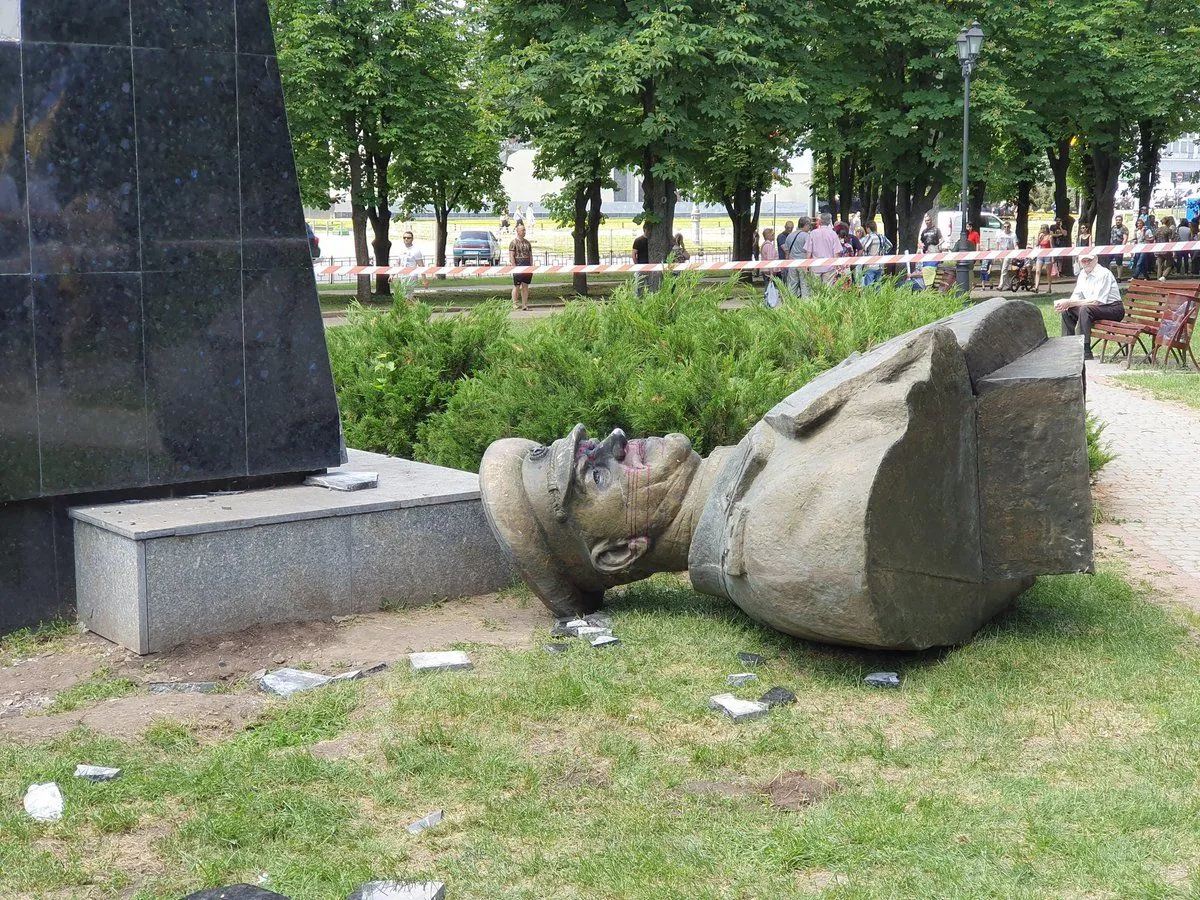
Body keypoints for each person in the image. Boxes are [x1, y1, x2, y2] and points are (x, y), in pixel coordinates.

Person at [478, 298, 1090, 650]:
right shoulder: (774, 547)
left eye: (595, 449)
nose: (614, 442)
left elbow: (984, 341)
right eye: (597, 478)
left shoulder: (754, 473)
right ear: (618, 553)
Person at [1056, 248, 1124, 358]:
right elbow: (1076, 295)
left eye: (1089, 260)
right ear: (1079, 262)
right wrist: (1065, 305)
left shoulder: (1103, 273)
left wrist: (1069, 302)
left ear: (1096, 259)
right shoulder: (1082, 274)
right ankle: (1069, 346)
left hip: (1113, 309)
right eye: (1084, 261)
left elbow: (1096, 301)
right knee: (1067, 311)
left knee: (1084, 309)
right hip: (1095, 308)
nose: (1087, 263)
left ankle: (1085, 349)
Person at [805, 213, 844, 286]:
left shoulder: (813, 233)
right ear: (829, 221)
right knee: (828, 290)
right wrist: (836, 266)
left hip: (815, 266)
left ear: (820, 221)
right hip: (829, 266)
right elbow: (836, 252)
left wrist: (807, 265)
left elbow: (808, 251)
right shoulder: (833, 234)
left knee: (815, 290)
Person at [509, 223, 533, 311]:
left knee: (525, 286)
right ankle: (514, 304)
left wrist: (531, 266)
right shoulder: (513, 243)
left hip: (527, 266)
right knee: (517, 286)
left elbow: (530, 255)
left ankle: (524, 305)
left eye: (525, 230)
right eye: (522, 230)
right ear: (518, 231)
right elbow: (511, 255)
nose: (524, 232)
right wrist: (514, 266)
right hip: (518, 265)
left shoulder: (527, 243)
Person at [781, 217, 809, 296]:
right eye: (809, 225)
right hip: (803, 263)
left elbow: (786, 250)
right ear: (805, 225)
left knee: (792, 285)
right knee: (804, 285)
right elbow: (809, 251)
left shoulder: (790, 236)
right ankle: (805, 303)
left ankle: (791, 302)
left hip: (792, 263)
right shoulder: (806, 236)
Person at [992, 221, 1017, 290]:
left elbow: (1015, 245)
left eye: (1008, 227)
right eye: (1005, 227)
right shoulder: (1001, 234)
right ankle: (1008, 285)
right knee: (1003, 270)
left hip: (1009, 253)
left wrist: (1017, 252)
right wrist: (997, 254)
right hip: (1001, 253)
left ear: (1010, 227)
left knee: (1004, 269)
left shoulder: (1013, 235)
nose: (1006, 228)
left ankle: (1000, 286)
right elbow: (997, 244)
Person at [919, 213, 942, 284]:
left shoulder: (936, 230)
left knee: (932, 267)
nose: (927, 222)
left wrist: (938, 246)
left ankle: (931, 283)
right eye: (925, 221)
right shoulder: (924, 231)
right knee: (926, 267)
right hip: (926, 252)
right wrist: (921, 246)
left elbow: (941, 239)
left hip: (934, 251)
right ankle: (928, 283)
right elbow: (920, 240)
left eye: (928, 220)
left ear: (931, 220)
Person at [860, 221, 883, 287]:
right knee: (877, 287)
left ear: (868, 228)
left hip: (870, 265)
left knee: (868, 287)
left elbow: (865, 247)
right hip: (880, 264)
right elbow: (889, 245)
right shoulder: (881, 236)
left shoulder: (871, 237)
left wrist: (865, 260)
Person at [1033, 224, 1053, 294]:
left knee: (1048, 273)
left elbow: (1052, 247)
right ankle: (1036, 287)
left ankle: (1049, 288)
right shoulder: (1041, 236)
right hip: (1040, 255)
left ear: (1047, 229)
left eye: (1044, 228)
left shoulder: (1050, 237)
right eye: (1041, 228)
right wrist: (1039, 237)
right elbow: (1037, 244)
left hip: (1048, 255)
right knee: (1038, 271)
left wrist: (1052, 258)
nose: (1042, 229)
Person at [1155, 215, 1176, 280]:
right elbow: (1170, 241)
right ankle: (1164, 276)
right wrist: (1173, 251)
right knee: (1171, 264)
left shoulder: (1157, 230)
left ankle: (1158, 278)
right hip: (1166, 249)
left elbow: (1155, 240)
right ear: (1168, 222)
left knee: (1159, 266)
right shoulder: (1169, 230)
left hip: (1158, 249)